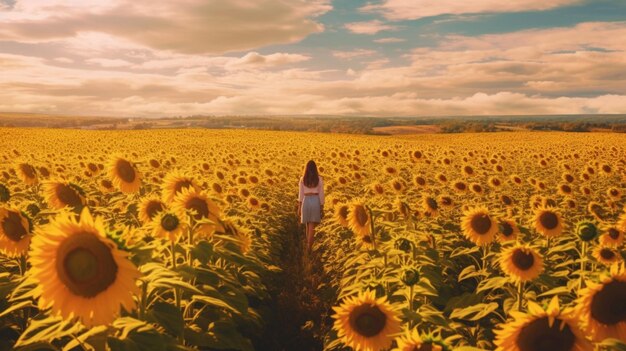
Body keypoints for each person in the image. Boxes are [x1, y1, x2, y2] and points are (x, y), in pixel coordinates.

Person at [297, 160, 324, 253]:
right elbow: (321, 194)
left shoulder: (302, 179)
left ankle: (307, 244)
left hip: (306, 200)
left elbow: (300, 195)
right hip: (315, 200)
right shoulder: (319, 179)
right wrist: (321, 206)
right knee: (312, 225)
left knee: (307, 224)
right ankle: (309, 247)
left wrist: (299, 207)